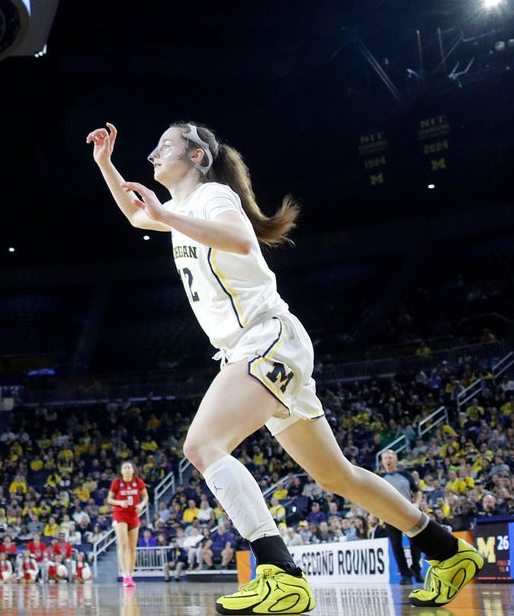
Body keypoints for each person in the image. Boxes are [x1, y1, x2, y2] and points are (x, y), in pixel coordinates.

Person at [86, 121, 482, 613]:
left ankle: (279, 573)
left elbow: (241, 241)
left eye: (164, 146)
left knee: (203, 445)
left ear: (197, 157)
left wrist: (166, 212)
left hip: (265, 338)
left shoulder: (213, 198)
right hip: (257, 348)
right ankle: (446, 551)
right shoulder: (184, 210)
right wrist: (106, 165)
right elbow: (135, 215)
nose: (151, 155)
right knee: (338, 475)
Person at [379, 450, 424, 584]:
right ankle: (405, 575)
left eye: (390, 457)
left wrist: (416, 503)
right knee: (396, 545)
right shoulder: (380, 479)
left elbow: (417, 492)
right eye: (385, 458)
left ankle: (416, 568)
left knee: (416, 542)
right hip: (390, 515)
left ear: (396, 459)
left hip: (408, 513)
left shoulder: (405, 475)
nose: (388, 460)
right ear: (382, 462)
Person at [106, 460, 148, 587]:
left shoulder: (138, 482)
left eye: (129, 467)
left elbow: (146, 497)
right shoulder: (117, 483)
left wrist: (141, 505)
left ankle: (130, 575)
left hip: (133, 515)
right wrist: (120, 503)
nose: (127, 469)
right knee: (123, 544)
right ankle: (124, 574)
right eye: (125, 467)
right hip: (120, 514)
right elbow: (109, 499)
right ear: (121, 471)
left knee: (132, 547)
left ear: (133, 470)